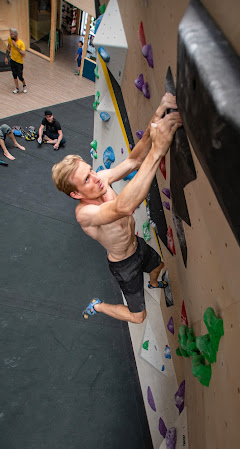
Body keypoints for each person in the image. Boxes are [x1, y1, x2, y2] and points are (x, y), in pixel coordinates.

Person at [52, 93, 181, 324]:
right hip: (124, 265)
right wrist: (158, 150)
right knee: (138, 316)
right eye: (86, 179)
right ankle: (98, 306)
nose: (96, 177)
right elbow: (123, 207)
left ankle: (153, 282)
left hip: (137, 244)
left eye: (90, 170)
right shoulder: (85, 215)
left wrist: (158, 114)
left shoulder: (101, 178)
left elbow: (133, 160)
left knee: (159, 265)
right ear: (76, 194)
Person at [5, 28, 27, 94]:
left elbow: (23, 54)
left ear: (16, 35)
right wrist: (6, 57)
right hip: (12, 60)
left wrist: (16, 46)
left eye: (12, 34)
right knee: (14, 75)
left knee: (20, 76)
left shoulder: (21, 43)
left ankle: (24, 85)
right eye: (10, 34)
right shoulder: (10, 39)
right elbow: (9, 48)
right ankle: (17, 88)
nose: (10, 35)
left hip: (19, 62)